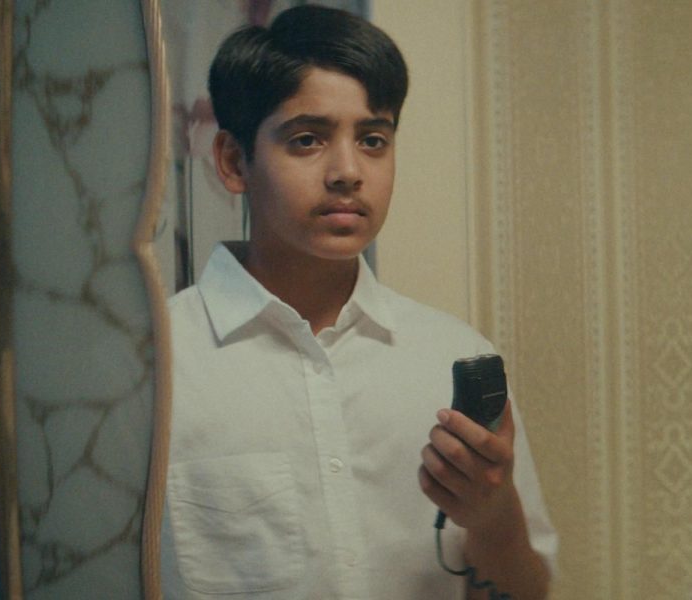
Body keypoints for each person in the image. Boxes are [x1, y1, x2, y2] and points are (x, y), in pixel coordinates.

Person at [159, 6, 557, 599]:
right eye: (307, 139)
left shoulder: (450, 357)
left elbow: (526, 592)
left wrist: (495, 519)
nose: (348, 172)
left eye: (373, 140)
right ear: (234, 161)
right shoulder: (159, 366)